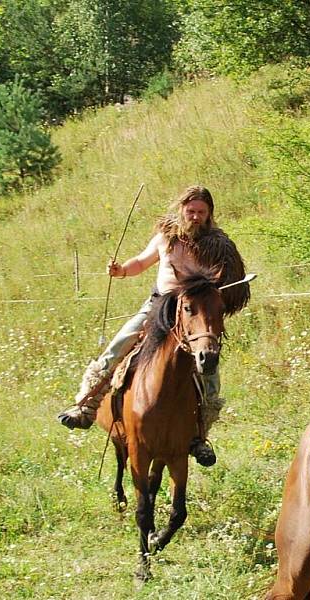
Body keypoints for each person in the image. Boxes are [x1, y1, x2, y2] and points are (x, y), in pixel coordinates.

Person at [57, 185, 250, 466]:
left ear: (209, 215)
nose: (195, 217)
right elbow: (141, 262)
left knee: (209, 366)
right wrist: (121, 270)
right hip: (159, 306)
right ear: (182, 210)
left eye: (201, 212)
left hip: (191, 310)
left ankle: (200, 434)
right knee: (120, 343)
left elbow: (229, 281)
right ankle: (87, 404)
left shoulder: (217, 245)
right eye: (191, 211)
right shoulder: (166, 238)